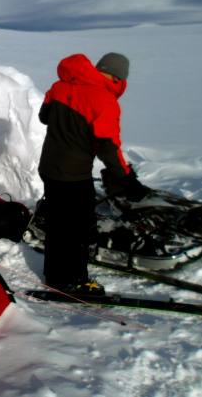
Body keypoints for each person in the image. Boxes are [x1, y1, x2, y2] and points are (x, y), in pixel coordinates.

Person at [38, 52, 148, 295]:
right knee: (75, 229)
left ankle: (54, 275)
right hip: (73, 174)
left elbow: (44, 116)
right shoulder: (104, 100)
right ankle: (72, 282)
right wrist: (127, 179)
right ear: (119, 79)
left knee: (58, 224)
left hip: (49, 167)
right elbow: (109, 147)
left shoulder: (59, 86)